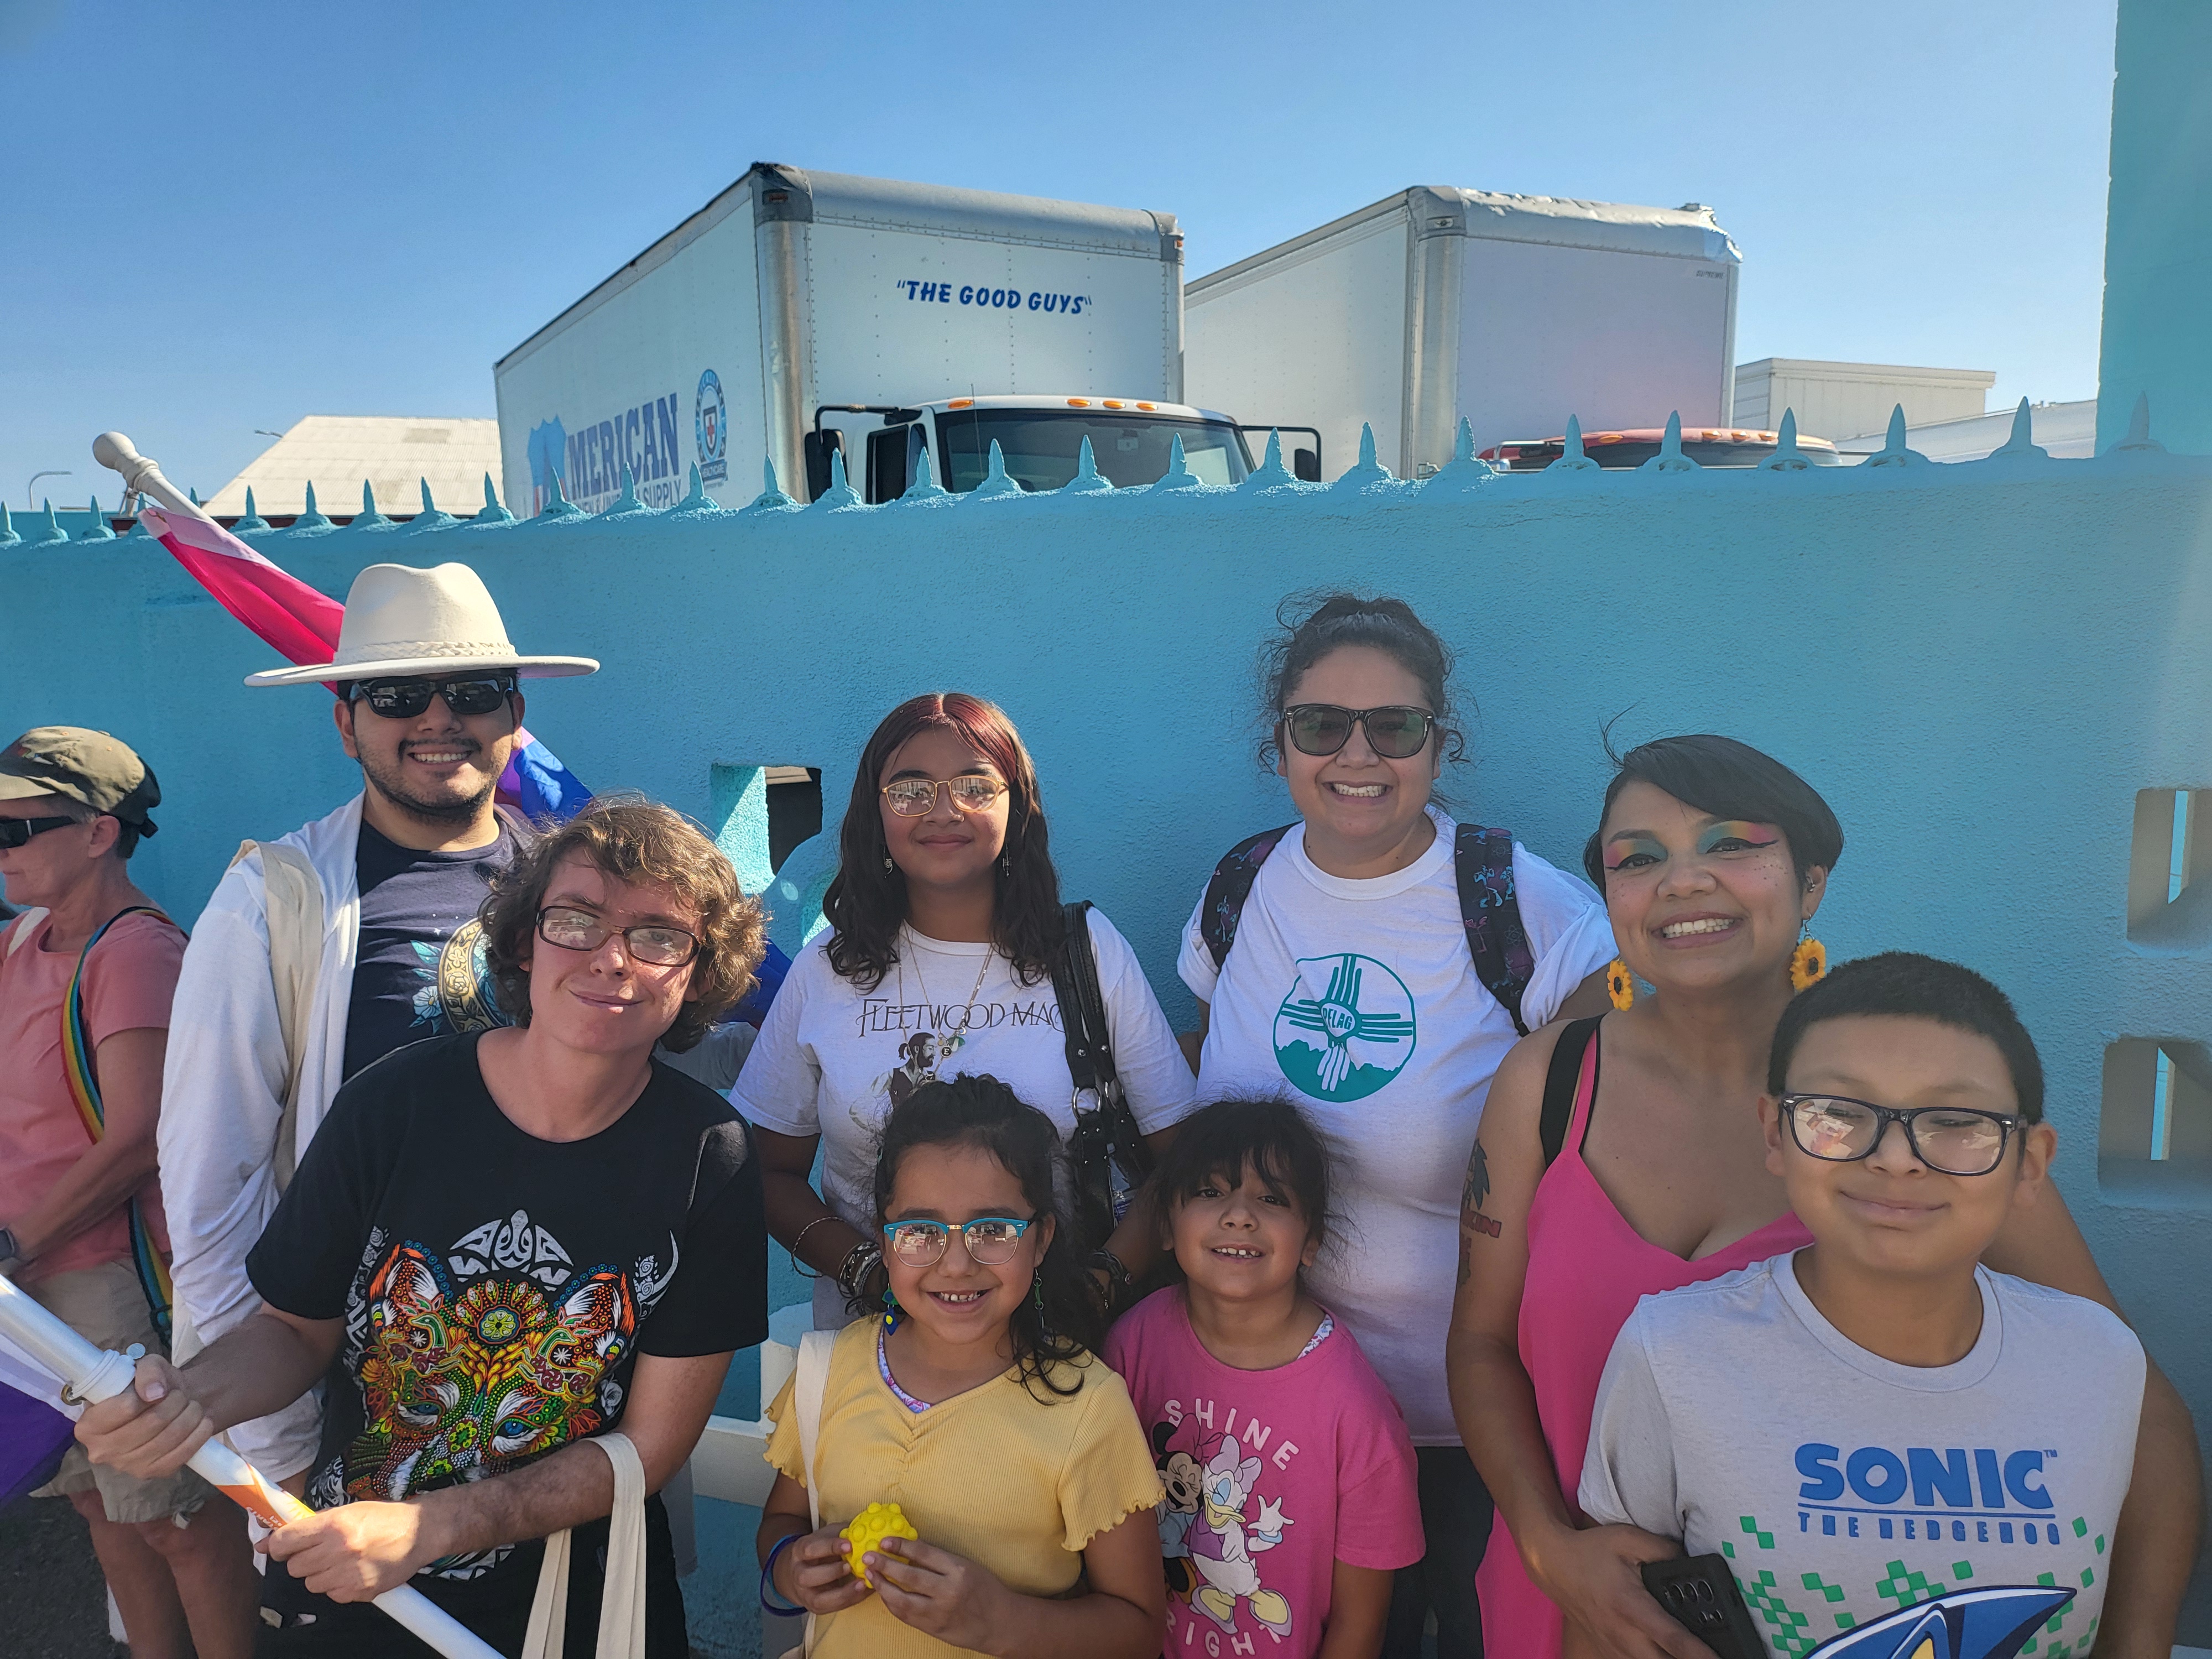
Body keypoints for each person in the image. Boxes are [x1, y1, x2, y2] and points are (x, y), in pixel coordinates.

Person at [1450, 734, 2203, 1659]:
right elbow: (1482, 1345)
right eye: (1638, 858)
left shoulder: (1904, 1114)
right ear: (1610, 898)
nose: (1684, 880)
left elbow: (2137, 1405)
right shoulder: (1548, 1080)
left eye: (1732, 843)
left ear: (1813, 883)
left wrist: (2138, 1639)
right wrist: (1547, 1547)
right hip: (1559, 1610)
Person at [74, 796, 771, 1656]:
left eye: (659, 936)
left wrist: (431, 1527)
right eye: (576, 920)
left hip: (578, 1603)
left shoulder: (712, 1153)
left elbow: (651, 1447)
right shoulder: (393, 1105)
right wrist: (188, 1400)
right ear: (522, 940)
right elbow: (293, 1331)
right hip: (345, 1579)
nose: (612, 959)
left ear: (699, 974)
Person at [1179, 593, 1616, 1656]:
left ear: (1439, 742)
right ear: (1280, 742)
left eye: (1396, 727)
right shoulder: (1242, 888)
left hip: (1476, 1430)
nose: (1356, 755)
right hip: (1272, 1424)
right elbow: (1209, 1121)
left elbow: (1611, 1129)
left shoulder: (1520, 900)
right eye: (1321, 725)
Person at [156, 560, 597, 1483]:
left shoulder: (575, 881)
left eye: (472, 692)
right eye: (396, 695)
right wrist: (274, 1439)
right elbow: (212, 1182)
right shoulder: (274, 902)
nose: (439, 720)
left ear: (514, 717)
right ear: (346, 723)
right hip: (354, 1388)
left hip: (557, 1365)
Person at [1579, 953, 2145, 1656]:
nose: (1897, 1158)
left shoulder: (2100, 1359)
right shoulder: (1672, 1355)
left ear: (2028, 1163)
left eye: (1955, 1120)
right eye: (1839, 1113)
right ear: (1774, 1134)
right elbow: (1610, 1626)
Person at [736, 691, 1196, 1328]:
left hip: (1062, 1345)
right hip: (877, 1349)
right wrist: (868, 1275)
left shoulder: (1085, 952)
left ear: (1017, 805)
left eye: (975, 787)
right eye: (909, 790)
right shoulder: (828, 969)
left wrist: (1102, 1283)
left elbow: (1182, 1159)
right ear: (877, 815)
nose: (943, 811)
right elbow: (768, 1172)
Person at [0, 727, 260, 1659]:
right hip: (30, 1286)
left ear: (100, 833)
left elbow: (138, 1140)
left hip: (106, 1279)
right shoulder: (26, 941)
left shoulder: (133, 953)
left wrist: (14, 1245)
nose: (1, 848)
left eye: (15, 828)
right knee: (93, 1504)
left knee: (174, 1519)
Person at [756, 1072, 1165, 1658]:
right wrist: (791, 1567)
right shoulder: (830, 1370)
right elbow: (782, 1522)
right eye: (920, 1232)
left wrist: (1004, 1622)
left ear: (1041, 1239)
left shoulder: (1088, 1407)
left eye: (992, 1230)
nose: (955, 1264)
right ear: (884, 1239)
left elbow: (1137, 1630)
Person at [1104, 1097, 1423, 1659]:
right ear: (1163, 1226)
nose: (1240, 1214)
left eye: (1271, 1199)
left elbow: (1361, 1626)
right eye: (1210, 1191)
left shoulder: (1356, 1412)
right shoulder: (1130, 1349)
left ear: (1311, 1244)